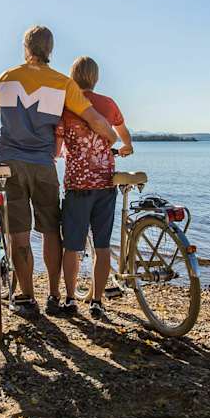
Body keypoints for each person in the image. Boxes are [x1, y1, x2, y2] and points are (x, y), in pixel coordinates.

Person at [0, 26, 119, 317]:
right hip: (44, 166)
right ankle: (54, 295)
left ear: (25, 47)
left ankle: (27, 297)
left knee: (20, 235)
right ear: (50, 50)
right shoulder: (62, 83)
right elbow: (93, 118)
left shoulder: (7, 78)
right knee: (51, 231)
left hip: (11, 165)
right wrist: (113, 139)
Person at [55, 56, 133, 319]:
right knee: (102, 245)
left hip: (77, 184)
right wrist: (126, 148)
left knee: (72, 246)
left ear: (73, 78)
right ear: (96, 78)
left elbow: (57, 144)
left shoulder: (66, 104)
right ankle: (97, 302)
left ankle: (69, 299)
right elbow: (123, 132)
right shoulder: (109, 104)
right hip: (105, 183)